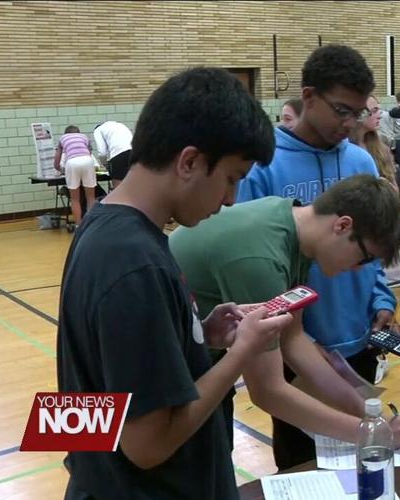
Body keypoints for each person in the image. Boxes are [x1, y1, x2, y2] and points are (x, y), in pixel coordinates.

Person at [57, 67, 291, 499]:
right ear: (189, 162)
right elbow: (147, 446)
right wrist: (240, 354)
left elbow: (100, 392)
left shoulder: (106, 226)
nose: (231, 199)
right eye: (231, 178)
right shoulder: (134, 263)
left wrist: (198, 337)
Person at [169, 175, 400, 461]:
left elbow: (294, 340)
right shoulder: (261, 259)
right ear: (342, 225)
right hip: (169, 385)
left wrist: (371, 416)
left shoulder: (291, 226)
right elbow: (267, 390)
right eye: (363, 258)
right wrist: (372, 434)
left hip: (199, 367)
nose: (356, 270)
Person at [235, 44, 398, 469]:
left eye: (358, 113)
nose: (349, 124)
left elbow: (375, 243)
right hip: (293, 345)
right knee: (303, 467)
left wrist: (381, 295)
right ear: (308, 97)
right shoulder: (263, 164)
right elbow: (252, 260)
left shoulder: (360, 160)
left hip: (356, 334)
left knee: (364, 464)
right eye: (341, 110)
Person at [53, 125, 98, 226]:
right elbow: (89, 152)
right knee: (91, 197)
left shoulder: (62, 138)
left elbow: (57, 157)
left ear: (66, 133)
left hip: (72, 162)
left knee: (74, 198)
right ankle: (92, 225)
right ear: (78, 132)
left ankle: (78, 225)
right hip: (87, 161)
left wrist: (58, 168)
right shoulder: (85, 137)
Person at [351, 95, 397, 188]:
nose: (379, 116)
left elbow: (394, 189)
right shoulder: (343, 150)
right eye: (374, 110)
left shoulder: (383, 149)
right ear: (360, 114)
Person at [92, 120, 133, 188]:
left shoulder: (97, 130)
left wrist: (104, 164)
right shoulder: (120, 125)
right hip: (134, 153)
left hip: (118, 154)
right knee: (131, 185)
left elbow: (102, 153)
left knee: (118, 188)